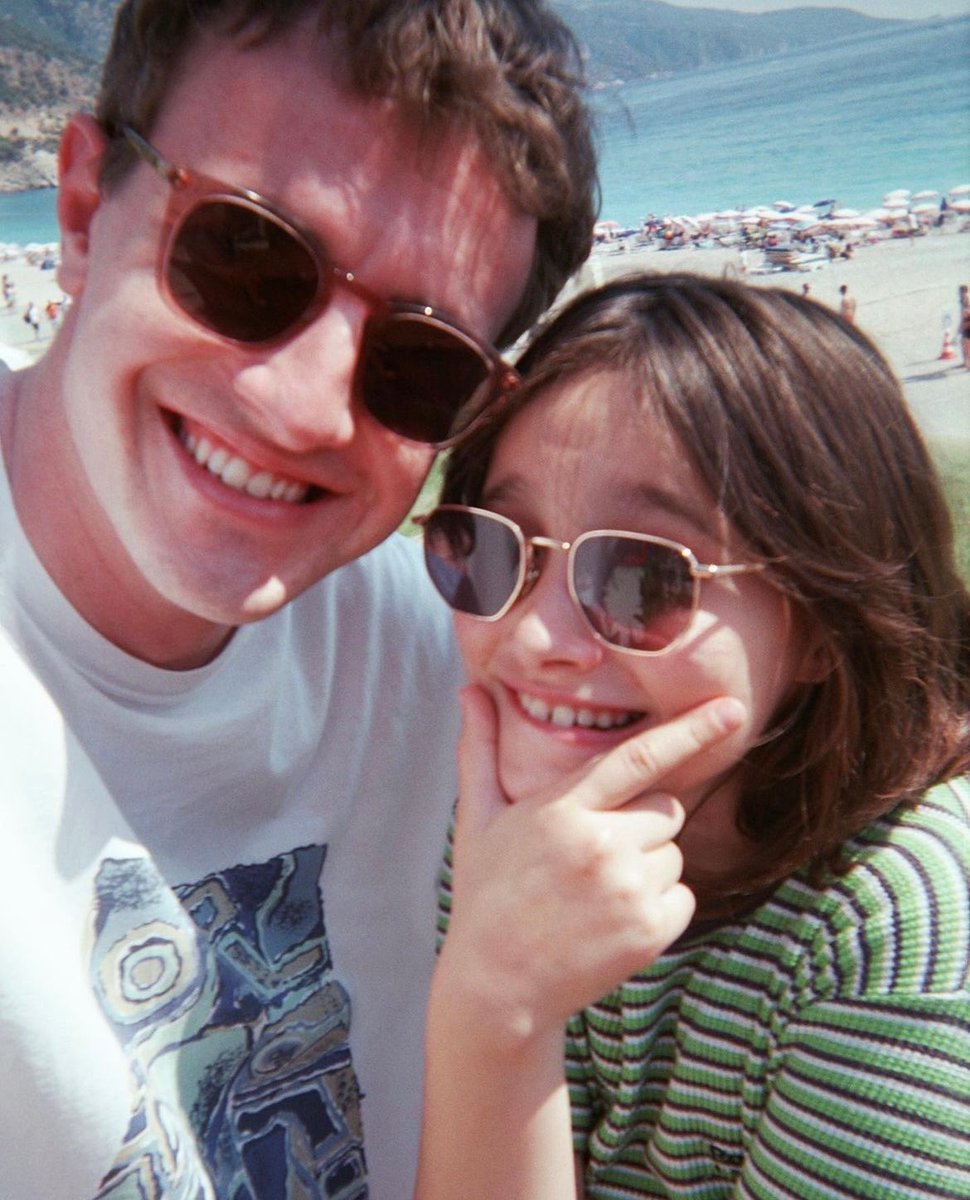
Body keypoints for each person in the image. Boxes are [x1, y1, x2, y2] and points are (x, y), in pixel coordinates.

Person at [0, 2, 612, 1197]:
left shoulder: (447, 680)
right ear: (81, 213)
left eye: (421, 362)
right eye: (244, 255)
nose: (307, 407)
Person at [414, 273, 970, 1198]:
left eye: (642, 576)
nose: (539, 636)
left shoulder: (899, 917)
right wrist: (495, 1007)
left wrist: (497, 1011)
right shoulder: (514, 835)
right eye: (499, 546)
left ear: (824, 626)